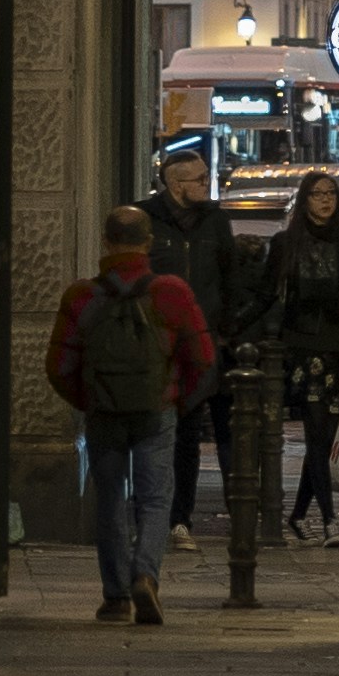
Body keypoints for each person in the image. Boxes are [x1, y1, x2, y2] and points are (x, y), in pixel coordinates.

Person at [46, 201, 215, 625]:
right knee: (156, 498)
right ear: (149, 243)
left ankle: (116, 597)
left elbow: (59, 365)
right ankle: (145, 574)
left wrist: (89, 399)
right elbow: (203, 358)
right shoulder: (172, 292)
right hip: (156, 410)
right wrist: (176, 397)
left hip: (103, 411)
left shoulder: (81, 296)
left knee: (109, 501)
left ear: (106, 242)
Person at [262, 164, 339, 537]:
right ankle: (329, 520)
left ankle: (298, 514)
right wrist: (236, 325)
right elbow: (267, 293)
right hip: (304, 343)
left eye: (331, 194)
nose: (325, 200)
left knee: (324, 437)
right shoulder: (286, 243)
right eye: (318, 194)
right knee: (316, 431)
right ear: (305, 200)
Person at [150, 136, 248, 545]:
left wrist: (227, 329)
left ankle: (192, 518)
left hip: (207, 342)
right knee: (172, 434)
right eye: (200, 179)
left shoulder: (214, 221)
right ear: (176, 184)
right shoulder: (148, 218)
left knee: (205, 432)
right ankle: (170, 516)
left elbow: (230, 278)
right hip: (162, 345)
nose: (208, 184)